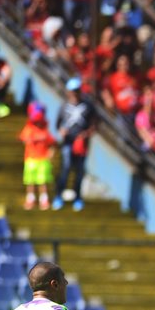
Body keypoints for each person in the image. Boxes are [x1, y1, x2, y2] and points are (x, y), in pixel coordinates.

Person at [53, 77, 94, 211]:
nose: (74, 93)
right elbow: (58, 124)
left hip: (82, 144)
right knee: (65, 168)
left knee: (80, 171)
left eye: (76, 90)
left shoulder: (88, 106)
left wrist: (85, 134)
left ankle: (78, 198)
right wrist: (62, 131)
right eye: (72, 90)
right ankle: (59, 195)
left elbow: (94, 125)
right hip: (68, 142)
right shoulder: (64, 106)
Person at [19, 102, 56, 211]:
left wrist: (51, 153)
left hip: (43, 159)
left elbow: (52, 144)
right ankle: (30, 199)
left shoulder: (45, 130)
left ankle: (43, 199)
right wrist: (34, 138)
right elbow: (24, 138)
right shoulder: (28, 128)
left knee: (42, 181)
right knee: (30, 181)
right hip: (30, 159)